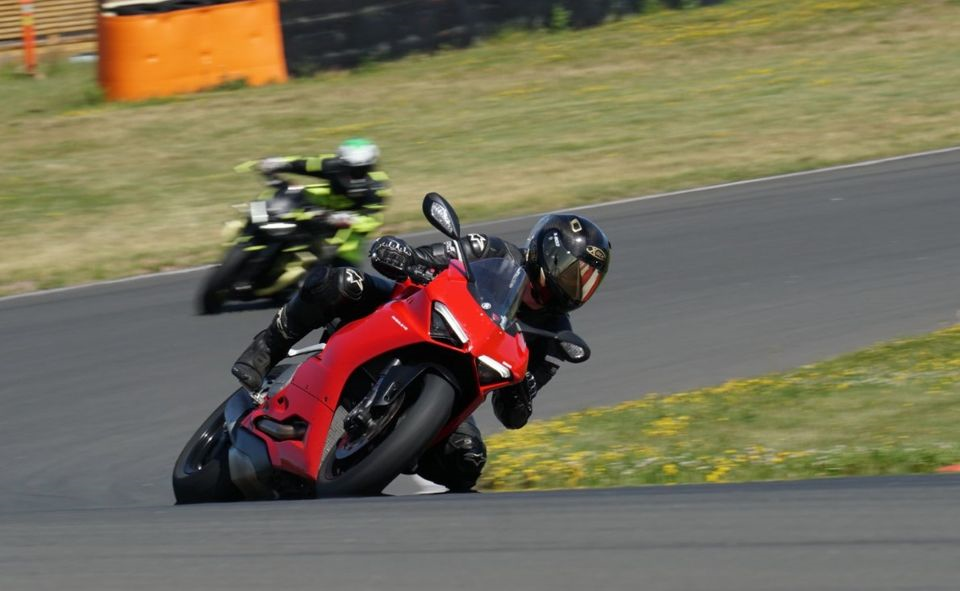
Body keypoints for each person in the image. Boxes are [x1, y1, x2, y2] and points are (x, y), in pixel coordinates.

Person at [231, 201, 612, 491]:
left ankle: (392, 450)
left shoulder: (555, 336)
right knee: (342, 282)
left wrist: (522, 391)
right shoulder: (494, 251)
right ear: (548, 254)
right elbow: (428, 259)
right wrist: (402, 255)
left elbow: (512, 416)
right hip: (413, 315)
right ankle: (267, 347)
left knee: (467, 463)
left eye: (588, 281)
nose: (578, 286)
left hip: (459, 377)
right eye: (573, 272)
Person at [255, 137, 390, 266]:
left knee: (345, 262)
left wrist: (352, 220)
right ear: (341, 162)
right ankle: (255, 229)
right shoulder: (331, 165)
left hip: (348, 225)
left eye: (362, 169)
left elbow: (374, 218)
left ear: (371, 166)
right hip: (324, 205)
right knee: (283, 196)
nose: (355, 173)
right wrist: (278, 163)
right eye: (349, 168)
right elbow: (305, 163)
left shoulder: (378, 186)